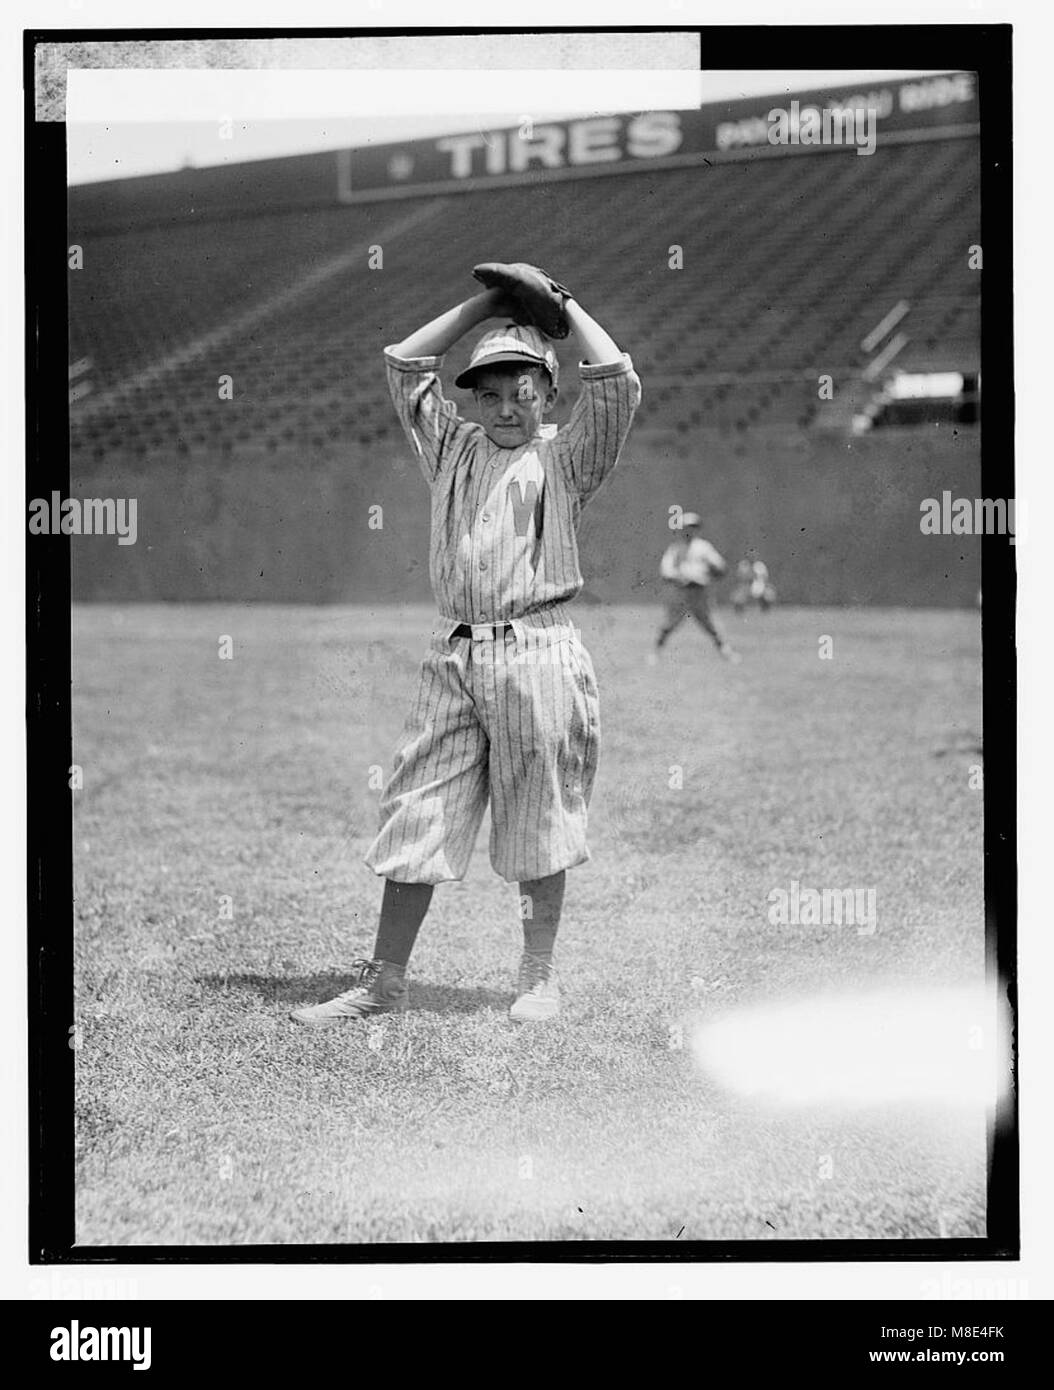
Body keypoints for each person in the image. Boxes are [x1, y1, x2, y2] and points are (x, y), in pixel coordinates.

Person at [291, 274, 641, 1026]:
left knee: (538, 818)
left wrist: (564, 308)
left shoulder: (566, 458)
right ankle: (383, 981)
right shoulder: (451, 447)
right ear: (474, 402)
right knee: (415, 809)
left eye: (522, 390)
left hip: (537, 652)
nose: (506, 408)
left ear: (548, 393)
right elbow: (403, 366)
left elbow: (615, 381)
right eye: (490, 394)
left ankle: (538, 979)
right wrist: (487, 307)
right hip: (453, 655)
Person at [650, 514, 740, 663]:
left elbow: (720, 567)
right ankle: (656, 653)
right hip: (681, 592)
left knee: (711, 624)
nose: (690, 530)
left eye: (693, 527)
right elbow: (665, 570)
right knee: (669, 623)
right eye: (687, 527)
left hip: (700, 592)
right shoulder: (675, 548)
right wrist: (679, 577)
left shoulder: (703, 547)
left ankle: (727, 653)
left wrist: (714, 570)